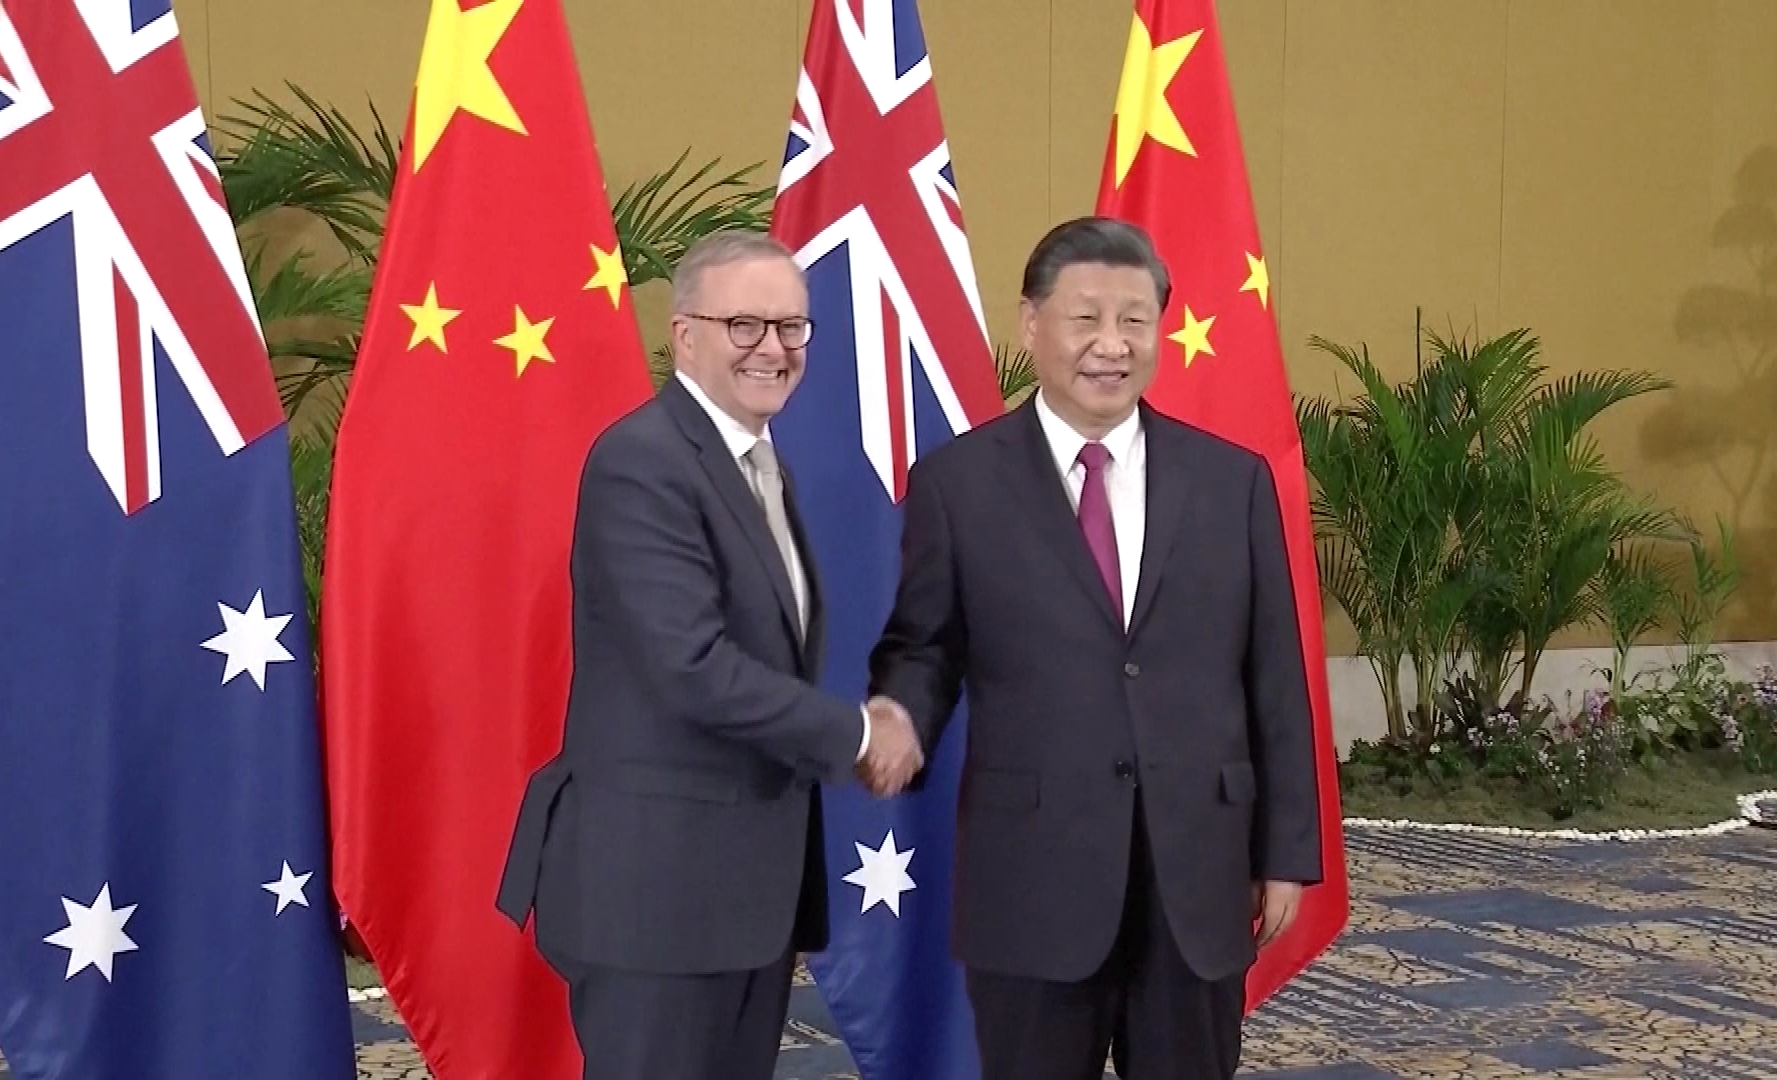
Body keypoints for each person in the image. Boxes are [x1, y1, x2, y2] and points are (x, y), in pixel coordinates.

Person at [869, 216, 1324, 1080]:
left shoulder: (1232, 482)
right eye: (1085, 319)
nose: (1110, 346)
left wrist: (1285, 851)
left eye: (1134, 320)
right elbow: (925, 647)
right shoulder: (958, 485)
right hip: (1031, 876)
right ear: (1031, 323)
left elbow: (1274, 678)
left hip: (1196, 871)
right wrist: (898, 716)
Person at [496, 230, 922, 1080]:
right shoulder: (643, 461)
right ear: (684, 334)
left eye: (792, 327)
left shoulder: (759, 462)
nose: (774, 348)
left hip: (742, 894)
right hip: (654, 892)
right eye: (745, 325)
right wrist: (857, 736)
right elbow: (690, 665)